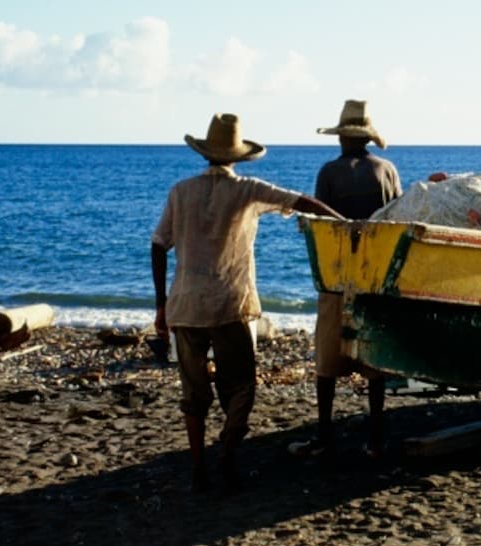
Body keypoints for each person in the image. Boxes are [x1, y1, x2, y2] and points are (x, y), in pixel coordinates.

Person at [152, 113, 342, 493]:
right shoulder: (247, 190)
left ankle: (197, 470)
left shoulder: (181, 191)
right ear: (237, 156)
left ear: (206, 153)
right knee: (240, 389)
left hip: (186, 305)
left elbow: (158, 245)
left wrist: (160, 305)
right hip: (230, 305)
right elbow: (302, 202)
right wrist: (345, 221)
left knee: (193, 394)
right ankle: (226, 451)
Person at [288, 99, 402, 459]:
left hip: (337, 275)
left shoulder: (329, 173)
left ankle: (324, 435)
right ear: (367, 138)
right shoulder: (386, 170)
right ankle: (375, 438)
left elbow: (324, 224)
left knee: (327, 360)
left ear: (342, 138)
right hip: (374, 275)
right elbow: (396, 220)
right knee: (375, 366)